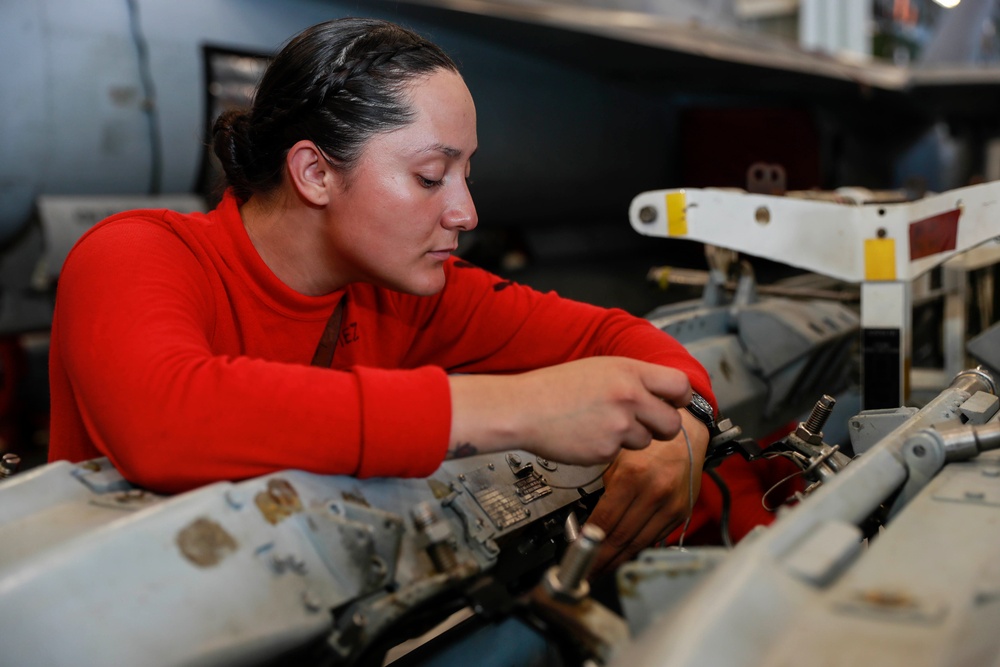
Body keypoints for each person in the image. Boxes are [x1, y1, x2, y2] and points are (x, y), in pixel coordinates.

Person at [48, 17, 715, 574]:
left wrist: (685, 424)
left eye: (466, 173)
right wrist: (515, 408)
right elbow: (167, 419)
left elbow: (615, 338)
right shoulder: (135, 254)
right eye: (430, 176)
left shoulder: (408, 292)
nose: (466, 212)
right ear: (314, 172)